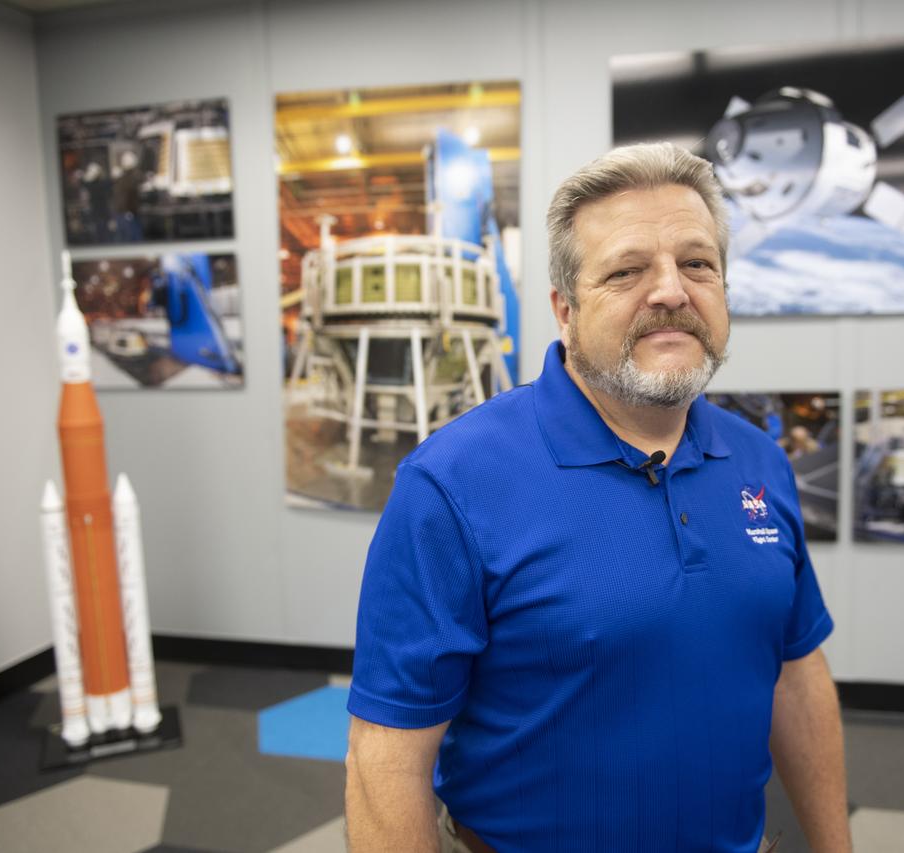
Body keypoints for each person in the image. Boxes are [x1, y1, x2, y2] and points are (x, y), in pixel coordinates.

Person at [345, 142, 851, 853]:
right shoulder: (452, 482)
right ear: (565, 309)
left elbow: (795, 674)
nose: (671, 291)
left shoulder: (759, 461)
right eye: (626, 270)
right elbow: (386, 759)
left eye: (697, 264)